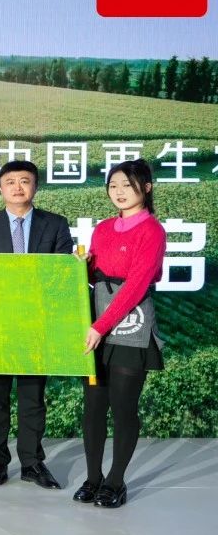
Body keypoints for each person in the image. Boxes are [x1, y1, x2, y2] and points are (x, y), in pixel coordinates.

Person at [0, 160, 73, 489]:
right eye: (10, 181)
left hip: (36, 325)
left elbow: (60, 276)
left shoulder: (55, 224)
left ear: (35, 186)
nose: (18, 187)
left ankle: (32, 463)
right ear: (0, 188)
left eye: (25, 181)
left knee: (32, 398)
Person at [75, 159, 166, 509]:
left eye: (127, 184)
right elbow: (96, 275)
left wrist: (101, 326)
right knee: (94, 406)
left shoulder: (152, 231)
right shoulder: (103, 228)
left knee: (123, 407)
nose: (119, 191)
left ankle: (115, 481)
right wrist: (83, 267)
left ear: (146, 188)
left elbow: (137, 285)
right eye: (113, 185)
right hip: (97, 317)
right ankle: (92, 478)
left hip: (131, 321)